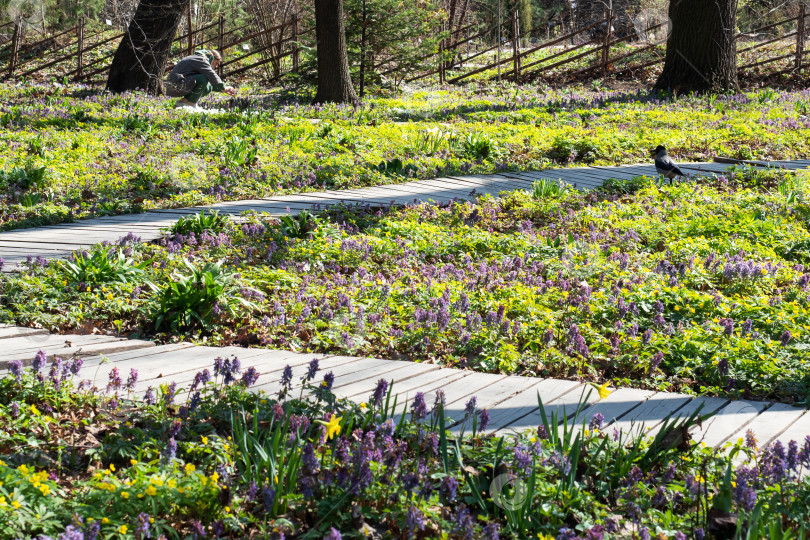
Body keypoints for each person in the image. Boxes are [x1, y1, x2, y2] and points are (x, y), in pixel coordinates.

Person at [165, 49, 236, 108]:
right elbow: (211, 74)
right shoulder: (202, 59)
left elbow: (210, 84)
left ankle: (183, 102)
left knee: (207, 86)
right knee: (203, 78)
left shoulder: (199, 58)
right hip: (175, 85)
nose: (216, 66)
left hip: (177, 83)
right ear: (213, 58)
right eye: (216, 63)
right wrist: (223, 87)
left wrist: (222, 89)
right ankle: (190, 105)